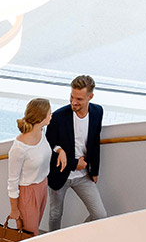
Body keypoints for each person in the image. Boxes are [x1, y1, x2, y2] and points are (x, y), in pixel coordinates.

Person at [46, 74, 108, 230]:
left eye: (79, 99)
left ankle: (74, 237)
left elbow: (95, 142)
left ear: (90, 97)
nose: (74, 102)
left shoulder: (97, 112)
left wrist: (95, 171)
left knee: (100, 215)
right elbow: (49, 144)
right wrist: (74, 163)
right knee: (55, 214)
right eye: (72, 97)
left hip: (84, 175)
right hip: (60, 174)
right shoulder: (58, 117)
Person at [6, 98, 54, 235]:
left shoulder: (41, 133)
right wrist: (14, 209)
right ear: (41, 117)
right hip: (28, 193)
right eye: (49, 113)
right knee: (30, 234)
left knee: (34, 230)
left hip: (43, 186)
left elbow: (43, 153)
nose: (51, 115)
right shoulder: (19, 148)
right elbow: (12, 182)